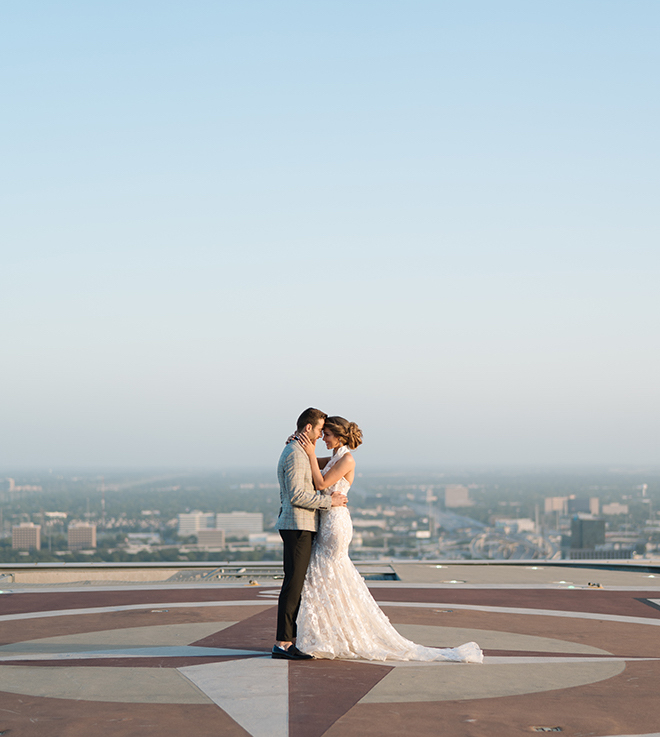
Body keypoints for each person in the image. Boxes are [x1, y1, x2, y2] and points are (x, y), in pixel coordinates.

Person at [294, 415, 483, 664]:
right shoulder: (336, 457)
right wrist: (301, 447)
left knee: (327, 571)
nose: (322, 439)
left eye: (326, 435)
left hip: (335, 525)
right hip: (327, 520)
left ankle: (330, 634)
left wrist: (308, 453)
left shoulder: (347, 459)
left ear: (338, 436)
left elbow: (320, 483)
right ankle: (328, 633)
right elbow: (314, 464)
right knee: (324, 575)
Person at [272, 408, 348, 660]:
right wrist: (330, 502)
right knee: (293, 584)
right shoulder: (294, 454)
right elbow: (296, 495)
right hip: (297, 525)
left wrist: (311, 452)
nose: (319, 437)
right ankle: (283, 643)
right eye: (318, 431)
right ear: (308, 428)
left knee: (297, 583)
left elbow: (325, 466)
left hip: (303, 525)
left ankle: (290, 639)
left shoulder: (300, 451)